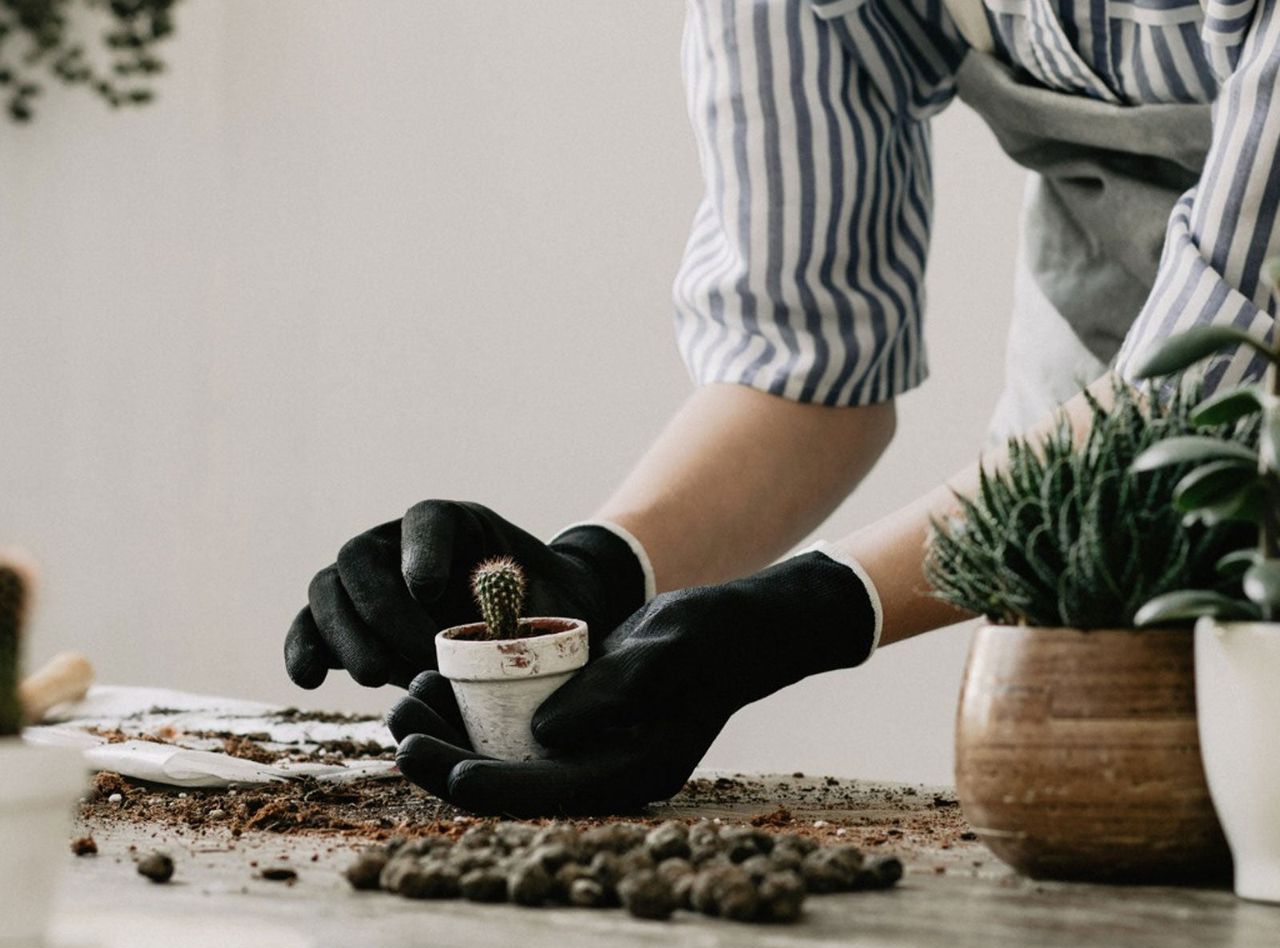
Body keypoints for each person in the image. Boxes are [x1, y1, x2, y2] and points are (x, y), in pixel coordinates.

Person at [283, 0, 1279, 816]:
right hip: (1087, 395)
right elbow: (803, 360)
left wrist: (810, 611)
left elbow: (1225, 355)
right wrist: (596, 572)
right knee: (1096, 818)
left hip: (1210, 358)